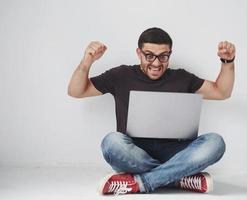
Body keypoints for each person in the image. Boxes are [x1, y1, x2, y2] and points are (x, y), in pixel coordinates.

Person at [68, 27, 235, 195]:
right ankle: (178, 177)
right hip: (133, 153)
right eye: (149, 56)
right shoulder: (120, 75)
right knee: (111, 143)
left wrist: (228, 62)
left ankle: (143, 182)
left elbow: (221, 92)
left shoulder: (182, 78)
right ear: (138, 53)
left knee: (215, 142)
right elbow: (76, 91)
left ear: (170, 53)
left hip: (175, 153)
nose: (156, 63)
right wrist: (86, 62)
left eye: (163, 56)